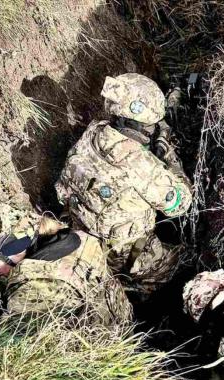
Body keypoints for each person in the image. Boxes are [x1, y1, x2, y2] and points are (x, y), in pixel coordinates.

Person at [55, 73, 193, 295]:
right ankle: (139, 289)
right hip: (122, 256)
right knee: (185, 263)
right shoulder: (143, 166)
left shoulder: (93, 132)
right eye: (152, 124)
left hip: (80, 235)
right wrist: (170, 160)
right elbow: (180, 204)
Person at [0, 202, 132, 326]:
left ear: (19, 244)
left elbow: (3, 342)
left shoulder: (30, 290)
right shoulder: (79, 237)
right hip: (120, 318)